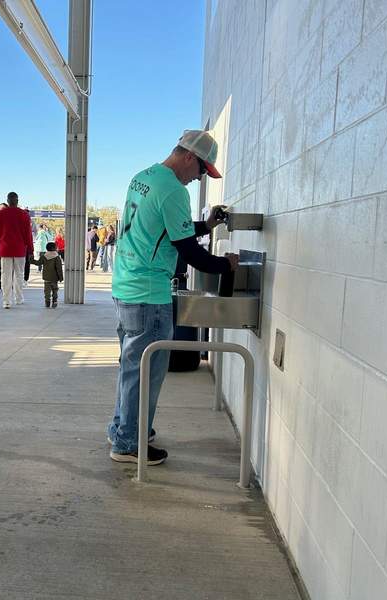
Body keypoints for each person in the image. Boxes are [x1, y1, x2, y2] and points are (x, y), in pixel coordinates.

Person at [108, 129, 240, 466]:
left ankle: (124, 429)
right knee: (147, 370)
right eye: (201, 171)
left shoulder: (145, 177)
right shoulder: (173, 191)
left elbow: (164, 227)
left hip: (126, 285)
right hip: (149, 293)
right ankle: (128, 444)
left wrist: (206, 226)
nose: (198, 179)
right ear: (189, 158)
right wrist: (225, 264)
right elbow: (189, 253)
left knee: (131, 366)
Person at [0, 191, 32, 309]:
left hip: (5, 250)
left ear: (8, 201)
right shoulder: (24, 215)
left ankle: (6, 301)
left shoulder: (0, 214)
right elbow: (28, 235)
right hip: (20, 250)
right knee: (19, 275)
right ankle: (18, 298)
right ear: (17, 200)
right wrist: (30, 250)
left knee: (6, 275)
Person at [29, 241, 64, 308]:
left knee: (47, 291)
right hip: (54, 278)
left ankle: (47, 302)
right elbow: (59, 268)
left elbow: (38, 263)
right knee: (55, 290)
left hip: (47, 278)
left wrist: (31, 260)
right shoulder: (57, 257)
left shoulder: (44, 256)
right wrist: (61, 277)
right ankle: (55, 301)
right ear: (55, 248)